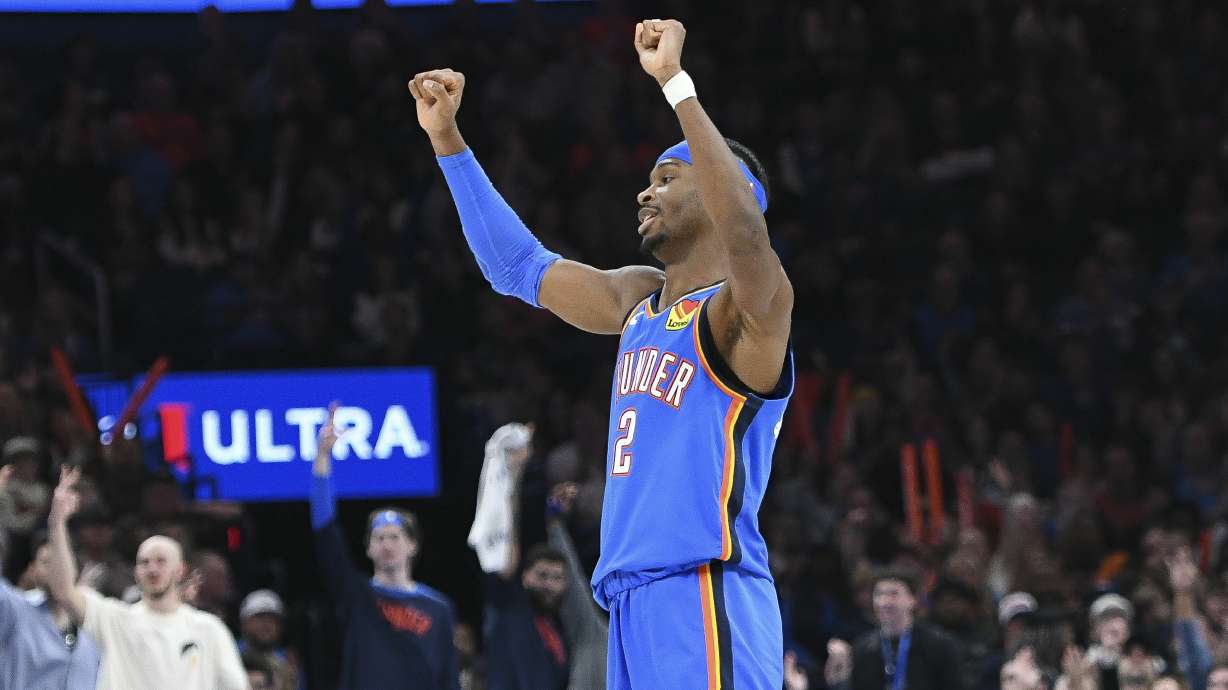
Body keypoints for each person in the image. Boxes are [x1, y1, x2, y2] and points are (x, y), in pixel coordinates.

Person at [411, 16, 793, 688]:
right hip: (626, 602)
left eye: (667, 177)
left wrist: (675, 83)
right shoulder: (638, 302)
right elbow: (516, 267)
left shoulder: (746, 314)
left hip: (704, 593)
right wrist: (448, 141)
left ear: (721, 189)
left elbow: (744, 233)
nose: (645, 191)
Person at [43, 466, 247, 690]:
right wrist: (57, 522)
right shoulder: (117, 620)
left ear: (180, 570)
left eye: (161, 561)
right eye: (145, 562)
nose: (152, 569)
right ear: (136, 572)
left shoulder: (209, 629)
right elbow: (64, 591)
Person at [310, 402, 459, 690]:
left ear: (413, 545)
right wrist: (322, 457)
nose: (387, 545)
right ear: (368, 549)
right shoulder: (357, 596)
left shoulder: (439, 608)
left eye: (395, 537)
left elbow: (448, 677)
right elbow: (326, 533)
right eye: (379, 538)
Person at [469, 423, 572, 690]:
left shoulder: (558, 625)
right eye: (542, 576)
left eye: (557, 578)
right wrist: (512, 475)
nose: (549, 584)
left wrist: (554, 516)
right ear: (524, 576)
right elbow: (504, 559)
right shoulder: (510, 609)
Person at [0, 465, 101, 690]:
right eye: (46, 562)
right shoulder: (15, 610)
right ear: (33, 570)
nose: (55, 569)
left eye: (60, 560)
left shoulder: (95, 623)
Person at [825, 569, 966, 690]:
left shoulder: (940, 645)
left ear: (913, 599)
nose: (885, 602)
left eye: (894, 594)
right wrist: (840, 679)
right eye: (879, 594)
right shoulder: (863, 648)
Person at [238, 588, 301, 690]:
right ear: (244, 623)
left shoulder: (287, 661)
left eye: (272, 619)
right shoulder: (229, 652)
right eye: (260, 618)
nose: (267, 625)